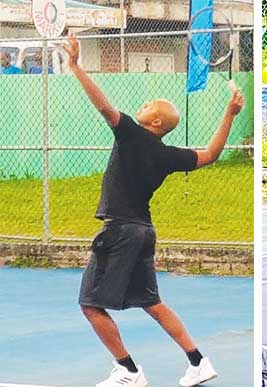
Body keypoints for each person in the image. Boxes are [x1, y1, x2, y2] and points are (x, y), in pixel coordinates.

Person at [64, 33, 244, 387]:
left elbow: (103, 106)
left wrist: (75, 66)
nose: (144, 104)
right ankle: (198, 362)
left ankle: (129, 371)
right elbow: (211, 155)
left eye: (149, 104)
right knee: (153, 303)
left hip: (120, 232)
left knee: (89, 304)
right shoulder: (167, 154)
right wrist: (230, 113)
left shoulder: (130, 134)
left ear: (156, 123)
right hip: (144, 232)